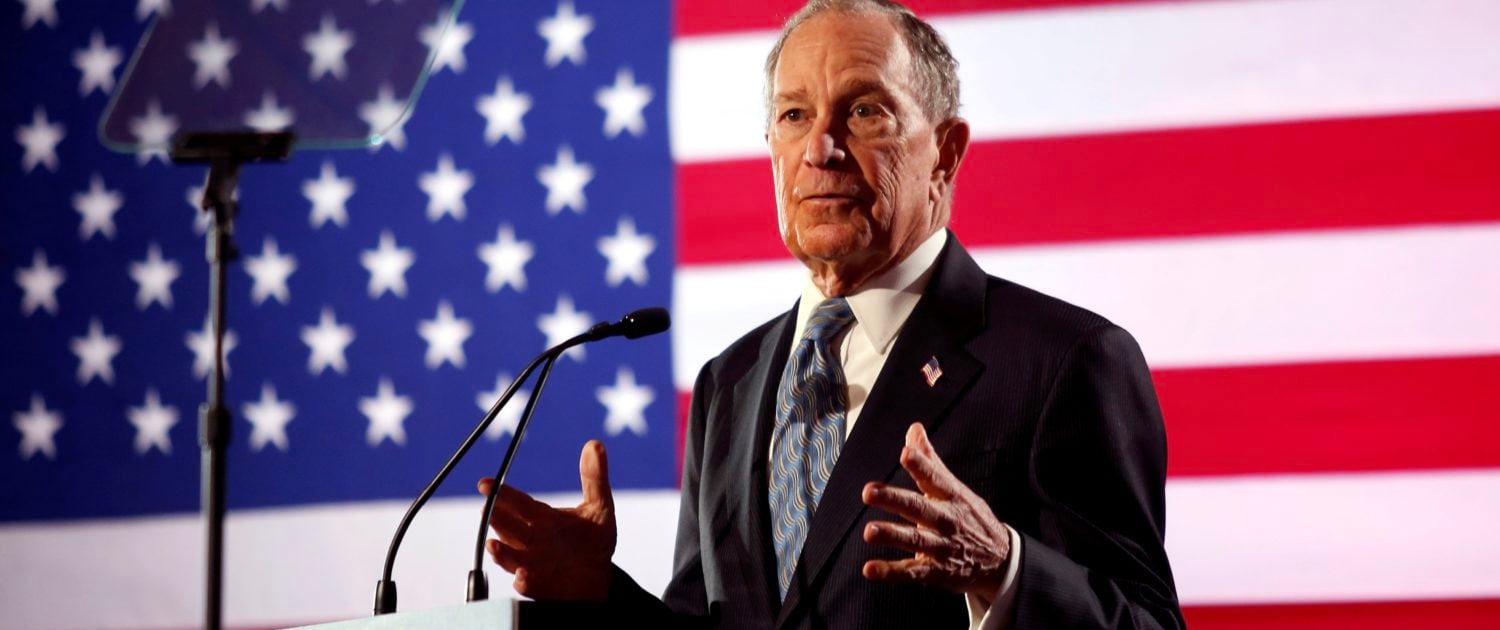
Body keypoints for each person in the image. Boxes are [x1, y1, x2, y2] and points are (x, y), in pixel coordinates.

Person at [477, 1, 1184, 627]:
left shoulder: (1064, 359)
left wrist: (1005, 570)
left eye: (865, 111)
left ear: (945, 151)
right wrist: (603, 593)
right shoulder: (732, 381)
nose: (821, 148)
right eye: (794, 116)